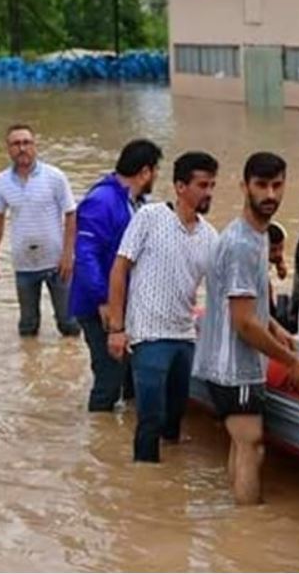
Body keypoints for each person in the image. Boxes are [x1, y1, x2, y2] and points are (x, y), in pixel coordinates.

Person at [194, 152, 299, 504]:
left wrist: (275, 326)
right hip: (234, 368)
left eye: (277, 185)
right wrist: (293, 362)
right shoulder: (241, 245)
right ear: (244, 186)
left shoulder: (255, 235)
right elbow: (244, 323)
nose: (270, 195)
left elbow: (247, 304)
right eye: (262, 185)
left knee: (242, 444)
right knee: (252, 447)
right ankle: (247, 526)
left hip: (225, 363)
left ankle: (234, 524)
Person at [106, 151, 220, 462]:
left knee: (175, 416)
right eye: (202, 185)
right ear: (180, 187)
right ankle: (145, 484)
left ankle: (170, 484)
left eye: (212, 185)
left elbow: (220, 290)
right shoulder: (150, 217)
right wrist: (117, 329)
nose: (208, 192)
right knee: (150, 418)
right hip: (148, 336)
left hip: (184, 336)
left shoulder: (210, 236)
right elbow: (119, 269)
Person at [70, 138, 163, 412]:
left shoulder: (135, 202)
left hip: (125, 302)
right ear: (145, 172)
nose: (156, 177)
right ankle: (99, 438)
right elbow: (86, 256)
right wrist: (105, 300)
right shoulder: (101, 201)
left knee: (128, 375)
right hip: (100, 306)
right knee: (109, 378)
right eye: (156, 171)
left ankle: (120, 438)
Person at [0, 123, 79, 338]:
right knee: (28, 326)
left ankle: (71, 365)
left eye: (26, 142)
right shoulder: (1, 182)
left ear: (35, 146)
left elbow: (71, 214)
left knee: (68, 323)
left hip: (57, 262)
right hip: (24, 263)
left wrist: (68, 255)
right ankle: (29, 367)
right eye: (16, 144)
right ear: (8, 149)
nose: (22, 148)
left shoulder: (54, 176)